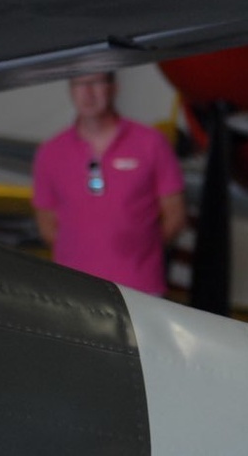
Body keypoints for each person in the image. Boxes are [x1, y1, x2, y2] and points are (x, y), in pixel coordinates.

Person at [32, 71, 187, 296]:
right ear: (71, 90)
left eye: (96, 82)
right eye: (79, 84)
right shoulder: (50, 152)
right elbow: (47, 226)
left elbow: (175, 216)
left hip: (140, 289)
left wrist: (140, 248)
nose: (87, 92)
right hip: (73, 290)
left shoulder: (151, 143)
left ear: (114, 87)